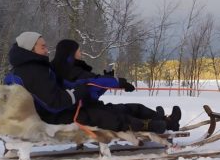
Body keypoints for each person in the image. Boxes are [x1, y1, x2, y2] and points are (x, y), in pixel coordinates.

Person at [6, 31, 178, 133]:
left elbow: (59, 93)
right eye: (42, 46)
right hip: (51, 117)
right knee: (107, 116)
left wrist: (85, 89)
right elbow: (55, 102)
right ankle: (157, 125)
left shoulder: (33, 68)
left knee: (113, 110)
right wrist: (81, 90)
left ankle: (161, 121)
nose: (46, 49)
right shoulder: (32, 71)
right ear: (30, 49)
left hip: (53, 112)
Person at [51, 38, 181, 131]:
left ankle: (163, 119)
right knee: (125, 116)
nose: (81, 53)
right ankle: (165, 124)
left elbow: (92, 91)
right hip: (85, 111)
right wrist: (118, 83)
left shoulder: (72, 69)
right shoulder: (67, 72)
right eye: (78, 51)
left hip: (92, 106)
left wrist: (107, 82)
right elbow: (92, 82)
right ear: (70, 53)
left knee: (134, 107)